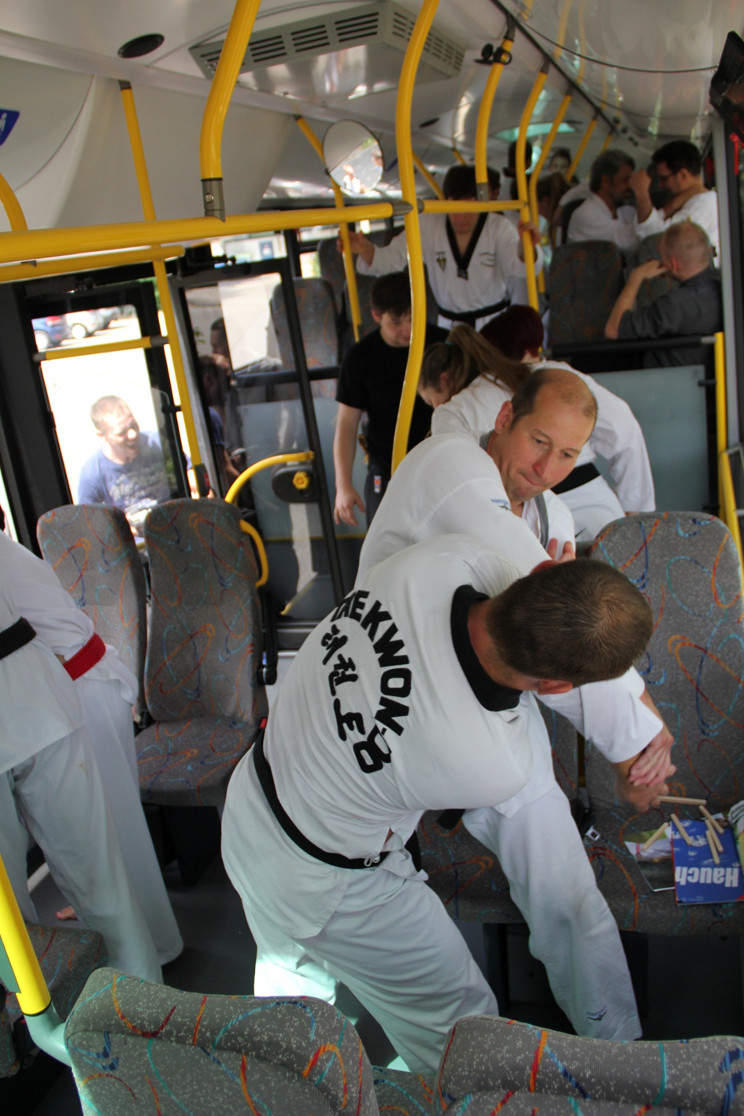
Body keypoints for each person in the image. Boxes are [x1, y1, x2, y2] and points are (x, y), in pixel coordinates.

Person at [222, 533, 658, 1074]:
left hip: (252, 797)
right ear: (555, 685)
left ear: (540, 569)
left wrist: (553, 586)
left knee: (295, 985)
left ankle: (277, 1086)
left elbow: (505, 574)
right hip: (331, 885)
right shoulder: (496, 761)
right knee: (465, 1033)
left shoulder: (437, 561)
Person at [356, 369, 674, 1048]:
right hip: (399, 706)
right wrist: (640, 740)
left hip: (494, 697)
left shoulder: (553, 516)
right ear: (504, 418)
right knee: (361, 883)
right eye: (538, 439)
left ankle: (614, 1047)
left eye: (567, 454)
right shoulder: (450, 467)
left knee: (565, 886)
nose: (546, 466)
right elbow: (561, 624)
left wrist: (636, 740)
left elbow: (562, 638)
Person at [0, 527, 183, 969]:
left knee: (113, 843)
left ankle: (155, 948)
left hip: (78, 687)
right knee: (104, 857)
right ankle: (144, 959)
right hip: (61, 691)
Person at [424, 314, 655, 539]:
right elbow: (625, 429)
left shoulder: (453, 411)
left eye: (431, 401)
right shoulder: (555, 375)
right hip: (598, 511)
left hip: (517, 522)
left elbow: (455, 482)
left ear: (445, 381)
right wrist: (637, 512)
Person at [345, 164, 543, 330]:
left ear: (480, 205)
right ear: (445, 202)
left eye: (468, 210)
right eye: (454, 209)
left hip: (493, 324)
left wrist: (527, 246)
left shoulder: (498, 226)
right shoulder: (428, 225)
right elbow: (391, 259)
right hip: (449, 326)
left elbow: (519, 265)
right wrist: (365, 249)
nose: (460, 218)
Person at [333, 270, 447, 527]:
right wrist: (343, 486)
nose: (407, 329)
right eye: (396, 322)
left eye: (412, 318)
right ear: (376, 316)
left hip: (438, 459)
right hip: (387, 464)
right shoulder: (360, 358)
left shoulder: (442, 344)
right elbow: (347, 425)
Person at [604, 221, 722, 367]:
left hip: (664, 380)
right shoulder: (725, 288)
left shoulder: (674, 305)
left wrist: (636, 277)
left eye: (662, 257)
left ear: (673, 264)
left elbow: (613, 330)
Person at [77, 395, 171, 535]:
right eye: (122, 433)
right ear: (102, 435)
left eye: (133, 425)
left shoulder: (157, 443)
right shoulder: (93, 472)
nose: (133, 435)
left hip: (173, 525)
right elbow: (87, 522)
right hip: (137, 545)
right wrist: (119, 527)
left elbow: (190, 473)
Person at [629, 140, 720, 262]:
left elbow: (658, 239)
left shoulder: (705, 203)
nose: (660, 185)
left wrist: (642, 194)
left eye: (664, 178)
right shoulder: (685, 200)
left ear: (682, 175)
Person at [565, 149, 640, 253]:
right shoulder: (586, 214)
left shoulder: (626, 212)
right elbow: (628, 242)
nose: (630, 186)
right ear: (605, 181)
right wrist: (644, 198)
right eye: (625, 180)